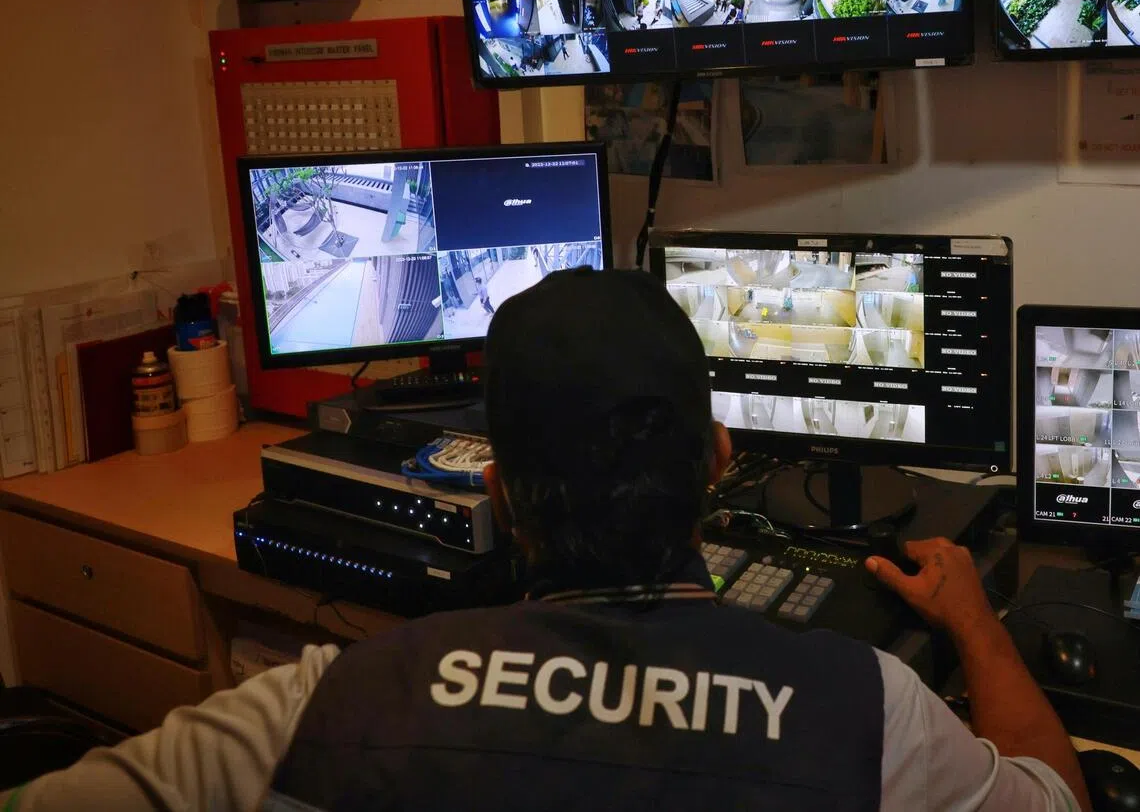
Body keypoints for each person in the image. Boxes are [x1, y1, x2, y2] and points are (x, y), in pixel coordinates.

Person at [4, 269, 1090, 812]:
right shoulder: (873, 718)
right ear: (718, 462)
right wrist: (976, 623)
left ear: (503, 496)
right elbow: (1059, 798)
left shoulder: (312, 710)